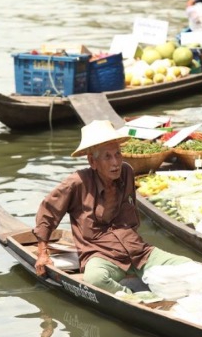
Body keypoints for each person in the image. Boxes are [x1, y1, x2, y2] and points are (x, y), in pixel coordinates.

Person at [33, 120, 191, 294]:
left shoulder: (127, 172)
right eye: (107, 157)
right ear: (92, 161)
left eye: (118, 154)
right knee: (95, 280)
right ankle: (134, 298)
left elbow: (130, 217)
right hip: (100, 255)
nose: (115, 162)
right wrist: (43, 253)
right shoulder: (77, 183)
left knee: (189, 266)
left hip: (137, 251)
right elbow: (48, 212)